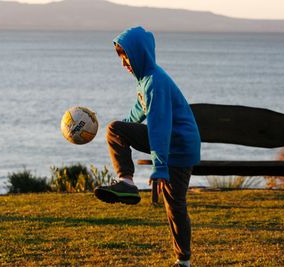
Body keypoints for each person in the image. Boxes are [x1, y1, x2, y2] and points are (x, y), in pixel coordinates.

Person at [94, 26, 201, 267]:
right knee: (116, 129)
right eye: (120, 57)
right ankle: (183, 262)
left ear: (140, 53)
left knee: (175, 205)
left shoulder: (155, 82)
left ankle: (127, 183)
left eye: (126, 56)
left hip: (178, 146)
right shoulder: (146, 80)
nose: (123, 63)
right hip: (176, 143)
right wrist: (123, 131)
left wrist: (160, 167)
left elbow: (159, 126)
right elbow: (137, 113)